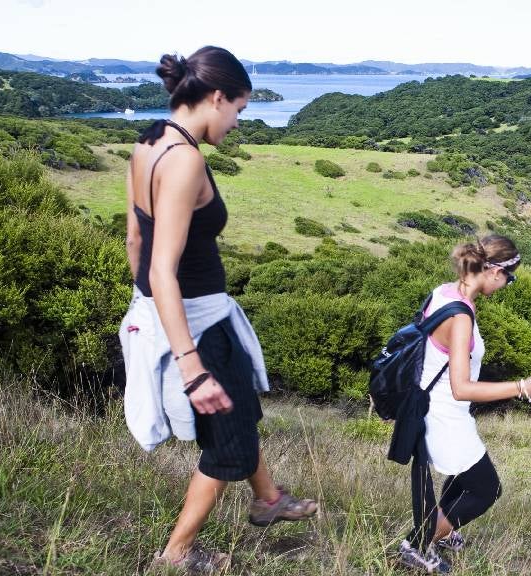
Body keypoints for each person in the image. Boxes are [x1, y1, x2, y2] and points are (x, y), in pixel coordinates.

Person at [118, 46, 317, 574]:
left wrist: (145, 313)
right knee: (227, 442)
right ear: (217, 96)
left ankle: (269, 498)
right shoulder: (184, 161)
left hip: (175, 313)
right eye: (239, 111)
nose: (236, 123)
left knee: (243, 411)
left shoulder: (149, 141)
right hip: (197, 325)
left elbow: (136, 237)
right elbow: (163, 267)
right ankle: (177, 552)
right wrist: (189, 365)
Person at [399, 235, 531, 574]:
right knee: (486, 488)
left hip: (429, 406)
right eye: (509, 279)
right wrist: (522, 387)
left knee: (462, 479)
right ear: (495, 271)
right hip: (443, 414)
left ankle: (439, 532)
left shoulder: (444, 292)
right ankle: (415, 544)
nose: (506, 285)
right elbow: (460, 387)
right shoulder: (461, 316)